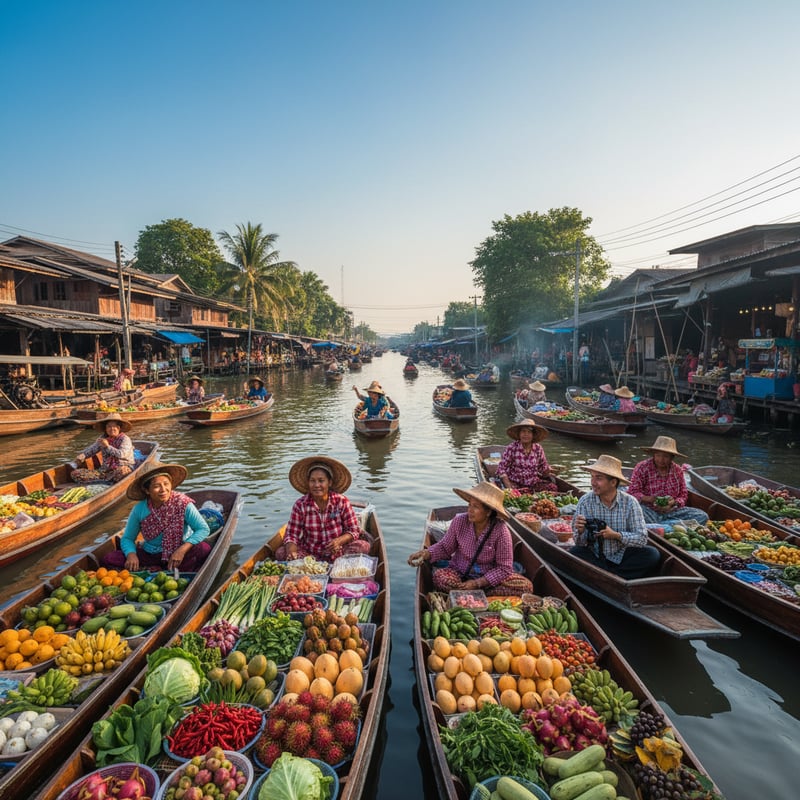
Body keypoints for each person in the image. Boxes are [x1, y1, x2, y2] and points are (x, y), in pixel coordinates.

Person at [407, 482, 532, 596]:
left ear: (488, 512)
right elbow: (445, 547)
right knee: (440, 577)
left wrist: (477, 583)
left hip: (487, 579)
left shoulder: (501, 531)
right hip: (460, 574)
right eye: (469, 505)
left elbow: (504, 568)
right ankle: (473, 594)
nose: (470, 510)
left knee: (525, 587)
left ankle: (472, 594)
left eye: (476, 507)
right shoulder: (459, 521)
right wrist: (425, 553)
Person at [102, 463, 211, 572]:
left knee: (204, 549)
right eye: (156, 486)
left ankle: (160, 569)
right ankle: (162, 568)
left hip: (179, 552)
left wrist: (182, 550)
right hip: (151, 554)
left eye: (166, 484)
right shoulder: (139, 509)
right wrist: (131, 555)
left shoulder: (182, 503)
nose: (163, 489)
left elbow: (203, 529)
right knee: (110, 558)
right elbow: (128, 538)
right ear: (147, 490)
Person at [570, 454, 660, 579]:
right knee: (575, 552)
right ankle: (616, 578)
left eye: (598, 478)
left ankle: (606, 577)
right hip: (595, 556)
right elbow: (579, 542)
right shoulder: (585, 501)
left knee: (652, 554)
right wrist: (580, 532)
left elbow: (642, 538)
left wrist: (616, 535)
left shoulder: (630, 502)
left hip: (622, 555)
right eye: (592, 477)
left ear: (613, 482)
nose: (593, 482)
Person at [274, 456, 371, 561]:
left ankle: (336, 564)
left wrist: (339, 541)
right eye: (312, 481)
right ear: (308, 483)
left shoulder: (341, 501)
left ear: (329, 482)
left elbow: (353, 530)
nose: (316, 485)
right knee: (281, 553)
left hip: (338, 550)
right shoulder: (300, 505)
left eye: (321, 480)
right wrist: (291, 551)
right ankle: (313, 566)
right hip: (310, 553)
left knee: (363, 546)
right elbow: (292, 534)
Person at [627, 436, 709, 525]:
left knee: (702, 516)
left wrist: (673, 503)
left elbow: (683, 495)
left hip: (672, 511)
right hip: (648, 510)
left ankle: (662, 525)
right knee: (636, 510)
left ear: (672, 457)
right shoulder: (642, 467)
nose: (661, 460)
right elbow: (632, 492)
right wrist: (650, 499)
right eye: (658, 455)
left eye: (665, 456)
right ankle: (671, 525)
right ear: (653, 454)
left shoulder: (677, 470)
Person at [496, 419, 558, 493]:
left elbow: (543, 469)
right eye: (523, 431)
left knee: (553, 488)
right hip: (516, 483)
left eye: (529, 432)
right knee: (519, 494)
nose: (526, 434)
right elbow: (501, 469)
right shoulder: (512, 448)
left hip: (533, 483)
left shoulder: (538, 448)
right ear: (519, 434)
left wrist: (548, 470)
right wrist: (509, 488)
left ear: (533, 435)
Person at [71, 414, 135, 483]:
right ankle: (104, 481)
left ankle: (103, 482)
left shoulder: (125, 439)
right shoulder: (103, 439)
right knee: (75, 473)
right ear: (106, 429)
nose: (111, 429)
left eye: (114, 426)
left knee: (121, 472)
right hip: (105, 471)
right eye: (109, 426)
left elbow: (122, 454)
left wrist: (107, 446)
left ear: (118, 428)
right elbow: (91, 449)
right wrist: (82, 455)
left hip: (122, 467)